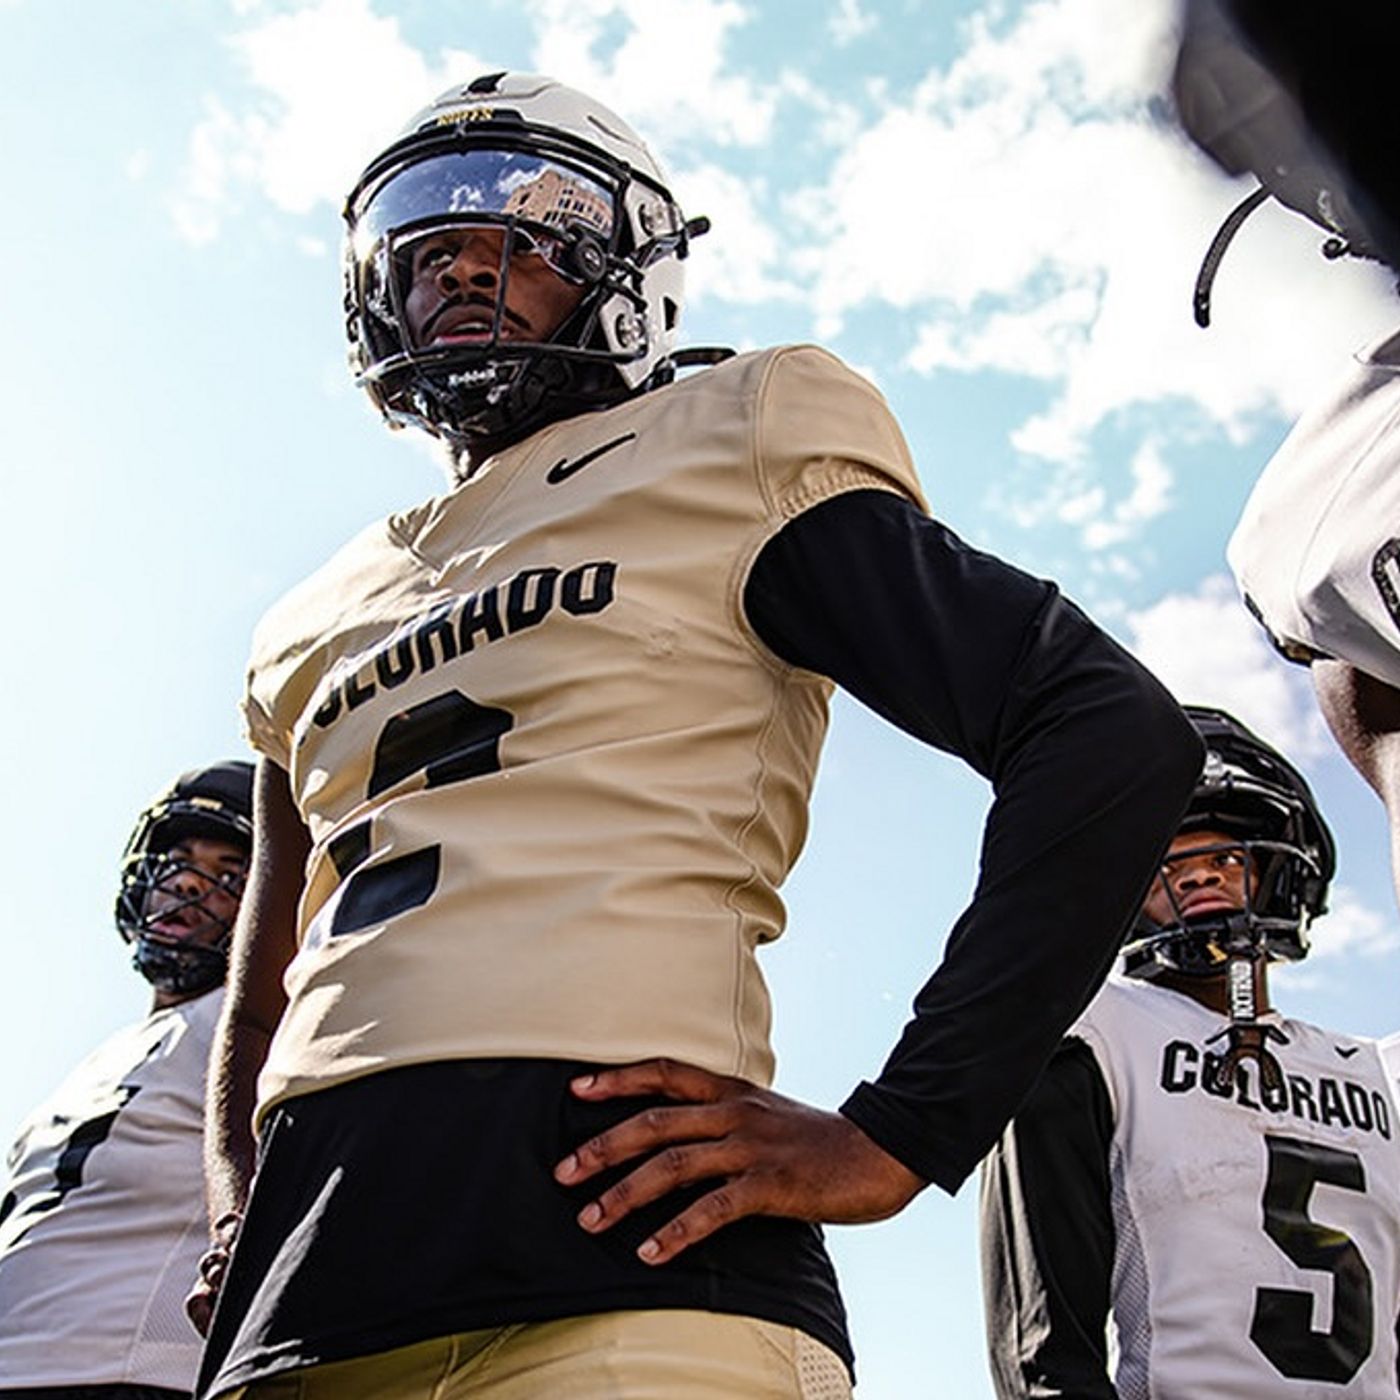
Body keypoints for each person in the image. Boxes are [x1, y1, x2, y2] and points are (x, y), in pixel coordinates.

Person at [189, 72, 1201, 1399]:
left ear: (630, 267)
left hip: (630, 1243)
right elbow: (264, 981)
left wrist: (903, 1129)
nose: (465, 269)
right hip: (312, 1270)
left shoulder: (728, 432)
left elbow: (1107, 727)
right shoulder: (306, 617)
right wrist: (235, 1202)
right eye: (428, 248)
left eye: (521, 234)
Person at [980, 706, 1400, 1399]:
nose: (1200, 877)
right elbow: (1048, 1353)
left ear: (1276, 870)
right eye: (1165, 866)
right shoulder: (1096, 1034)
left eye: (1225, 858)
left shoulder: (1383, 1073)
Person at [0, 761, 253, 1400]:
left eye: (229, 875)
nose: (189, 884)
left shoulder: (251, 1029)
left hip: (126, 1374)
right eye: (178, 859)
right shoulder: (103, 1058)